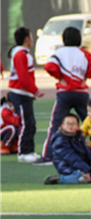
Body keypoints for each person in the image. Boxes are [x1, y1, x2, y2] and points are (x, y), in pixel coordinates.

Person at [39, 27, 91, 165]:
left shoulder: (59, 53)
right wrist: (86, 76)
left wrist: (60, 76)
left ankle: (48, 155)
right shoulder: (84, 53)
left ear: (64, 39)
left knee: (56, 123)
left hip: (64, 93)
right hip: (81, 93)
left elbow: (49, 66)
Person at [8, 27, 45, 163]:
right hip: (20, 94)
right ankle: (23, 152)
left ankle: (29, 150)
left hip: (25, 94)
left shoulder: (24, 54)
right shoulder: (20, 54)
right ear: (27, 39)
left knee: (31, 123)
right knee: (25, 123)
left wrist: (31, 92)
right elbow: (23, 77)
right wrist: (35, 90)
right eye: (31, 35)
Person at [44, 114, 91, 185]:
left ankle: (90, 178)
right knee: (78, 177)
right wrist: (87, 170)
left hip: (82, 166)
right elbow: (72, 159)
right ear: (62, 126)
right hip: (68, 167)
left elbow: (90, 155)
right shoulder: (59, 140)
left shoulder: (79, 137)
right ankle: (59, 179)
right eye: (68, 124)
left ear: (78, 127)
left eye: (73, 124)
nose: (70, 126)